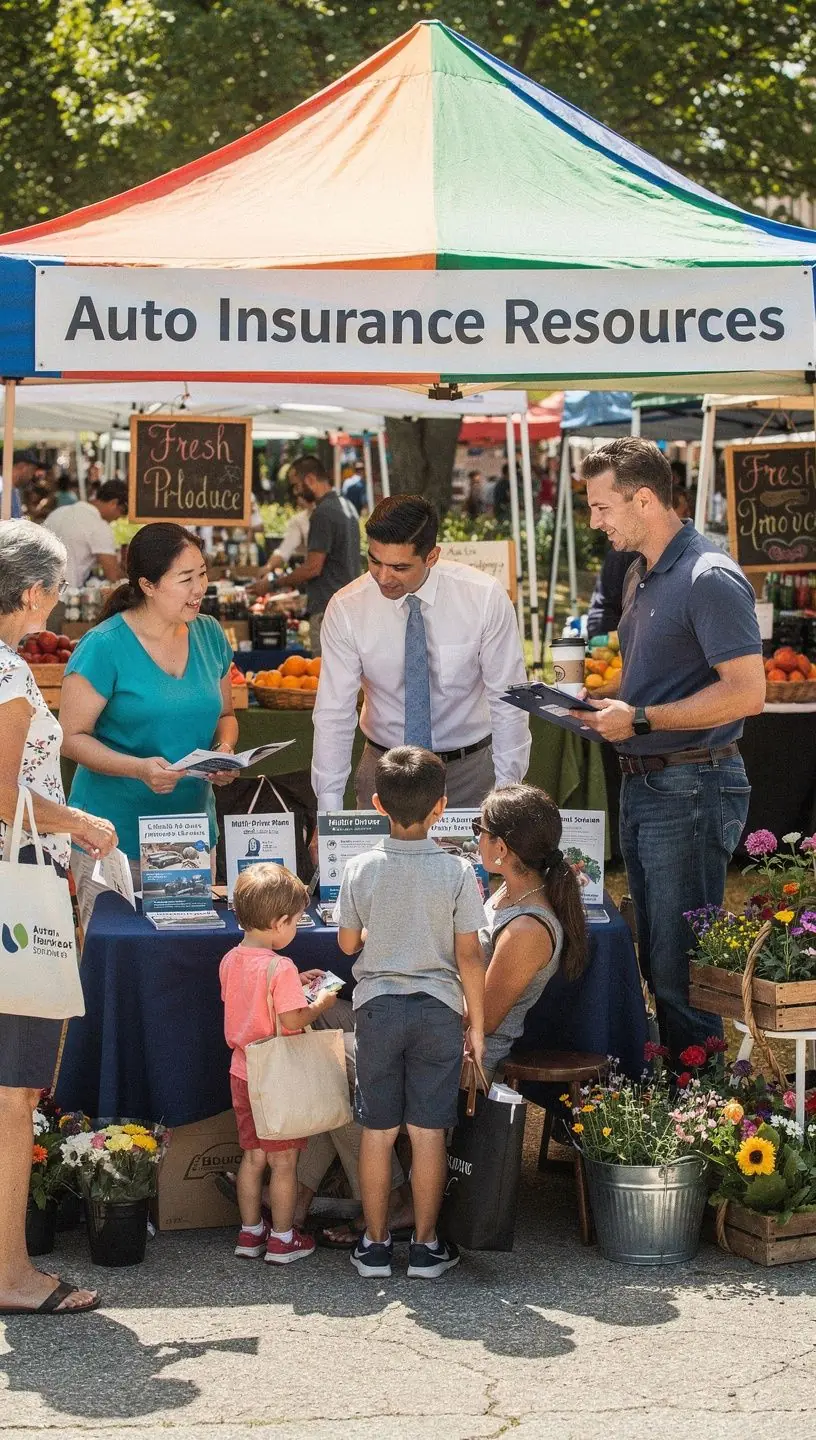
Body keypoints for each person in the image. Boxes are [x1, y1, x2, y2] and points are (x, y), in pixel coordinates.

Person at [577, 437, 765, 1060]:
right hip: (653, 781)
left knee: (681, 971)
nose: (595, 521)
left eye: (603, 507)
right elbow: (656, 680)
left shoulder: (708, 577)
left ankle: (702, 1113)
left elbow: (747, 694)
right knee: (659, 957)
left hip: (692, 784)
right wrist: (602, 705)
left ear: (646, 498)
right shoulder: (641, 572)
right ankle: (688, 1104)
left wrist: (643, 718)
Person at [0, 521, 116, 1316]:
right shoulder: (9, 673)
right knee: (14, 1091)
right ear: (35, 592)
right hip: (18, 892)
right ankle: (11, 1273)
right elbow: (4, 792)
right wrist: (77, 823)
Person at [336, 746, 486, 1280]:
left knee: (376, 1132)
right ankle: (426, 1246)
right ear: (442, 807)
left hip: (377, 1009)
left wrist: (382, 935)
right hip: (439, 1011)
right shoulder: (458, 872)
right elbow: (470, 954)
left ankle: (375, 1245)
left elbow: (349, 945)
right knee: (429, 1134)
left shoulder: (358, 868)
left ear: (377, 803)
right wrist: (480, 1028)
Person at [59, 523, 240, 929]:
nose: (200, 588)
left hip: (189, 836)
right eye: (185, 578)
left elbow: (226, 716)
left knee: (183, 960)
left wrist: (225, 751)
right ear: (148, 585)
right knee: (116, 965)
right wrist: (138, 768)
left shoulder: (210, 634)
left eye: (203, 573)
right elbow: (70, 739)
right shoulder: (104, 645)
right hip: (112, 838)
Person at [312, 494, 530, 813]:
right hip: (384, 769)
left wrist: (507, 791)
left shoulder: (483, 597)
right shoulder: (347, 608)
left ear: (432, 556)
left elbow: (508, 700)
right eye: (374, 561)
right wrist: (328, 810)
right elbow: (334, 712)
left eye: (399, 567)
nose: (383, 578)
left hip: (468, 772)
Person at [219, 863, 337, 1264]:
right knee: (284, 1162)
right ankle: (283, 1239)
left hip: (242, 1070)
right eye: (296, 922)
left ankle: (250, 1233)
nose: (297, 928)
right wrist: (320, 1002)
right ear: (278, 922)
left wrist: (292, 983)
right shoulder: (280, 966)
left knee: (252, 1157)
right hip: (277, 1077)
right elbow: (291, 1021)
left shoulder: (231, 959)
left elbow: (251, 1000)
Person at [475, 785, 588, 1079]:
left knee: (341, 1046)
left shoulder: (526, 929)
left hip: (469, 1063)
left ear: (501, 848)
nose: (476, 838)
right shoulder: (512, 890)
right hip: (441, 1041)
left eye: (480, 829)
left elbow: (482, 1020)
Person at [258, 456, 360, 655]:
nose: (296, 492)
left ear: (311, 479)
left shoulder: (322, 513)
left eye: (297, 486)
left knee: (323, 676)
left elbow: (313, 567)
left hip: (327, 611)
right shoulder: (347, 506)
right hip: (347, 607)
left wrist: (273, 584)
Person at [44, 479, 128, 590]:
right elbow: (114, 576)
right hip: (65, 593)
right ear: (114, 503)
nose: (117, 519)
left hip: (37, 589)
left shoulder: (59, 512)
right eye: (121, 513)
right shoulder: (99, 526)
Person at [267, 492, 314, 573]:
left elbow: (283, 552)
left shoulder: (300, 520)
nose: (298, 500)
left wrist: (266, 568)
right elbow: (284, 551)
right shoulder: (300, 519)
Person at [0, 450, 37, 519]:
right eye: (32, 470)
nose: (31, 476)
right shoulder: (3, 488)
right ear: (23, 467)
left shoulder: (13, 490)